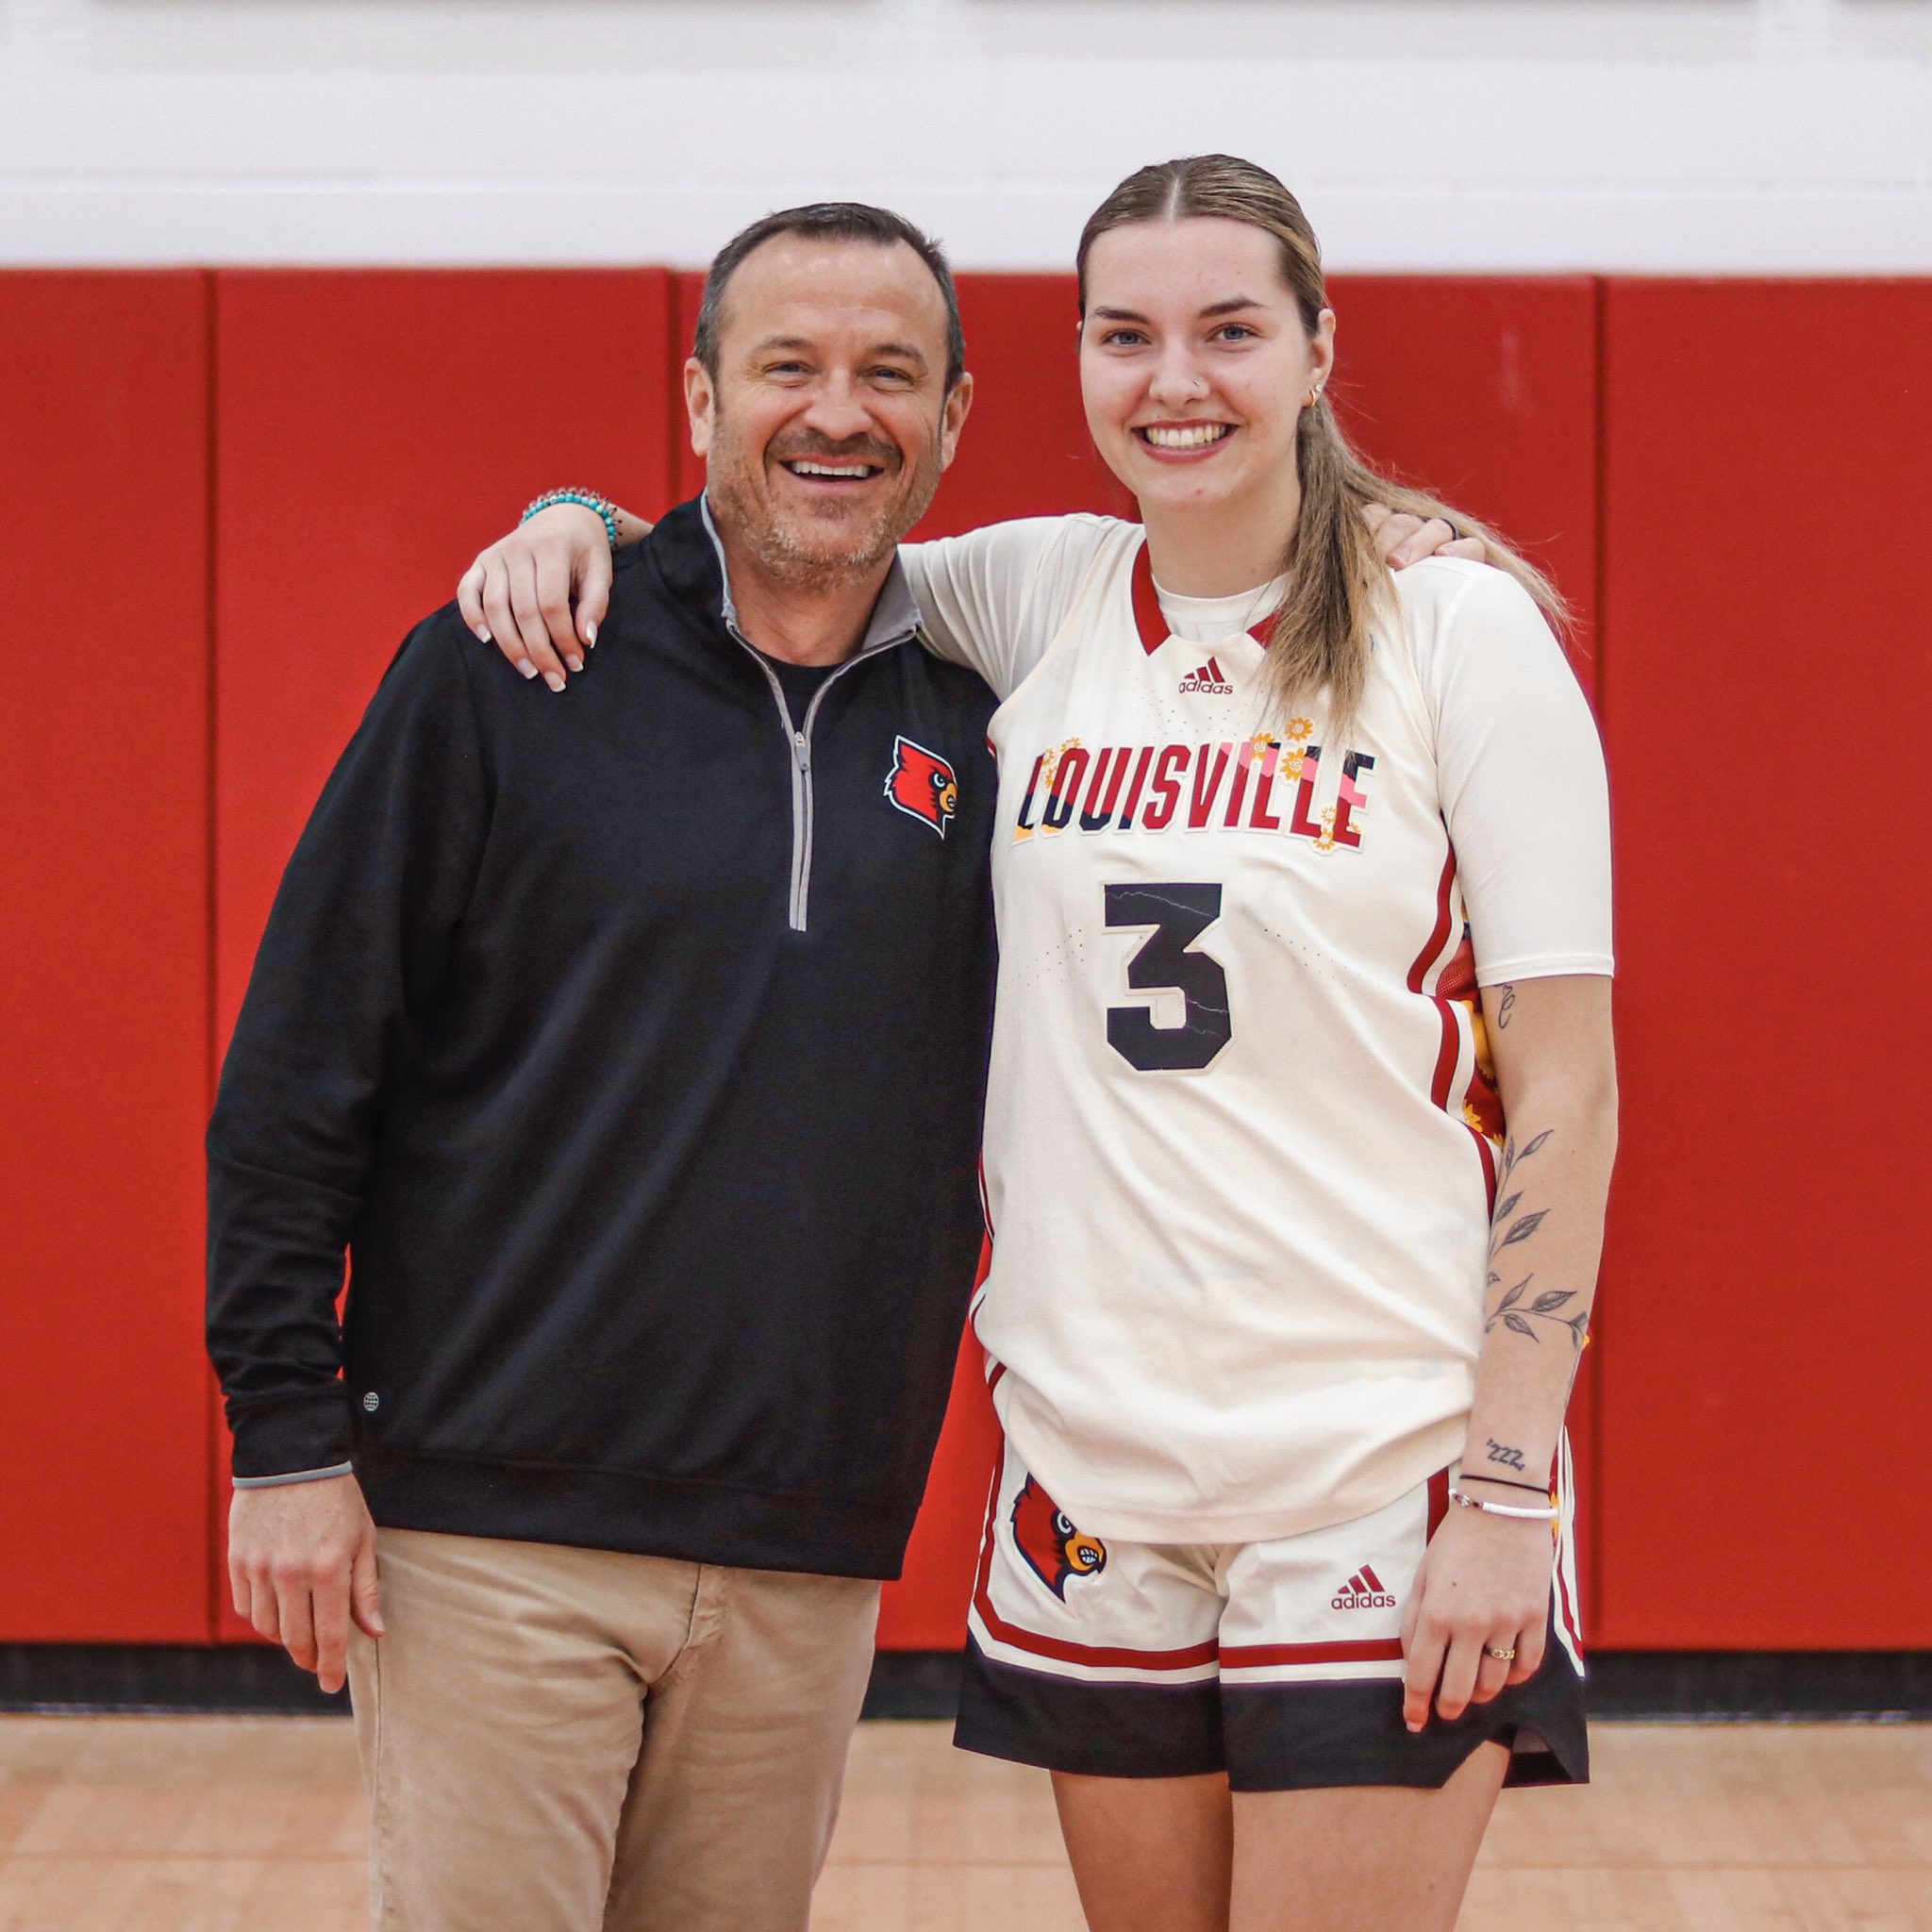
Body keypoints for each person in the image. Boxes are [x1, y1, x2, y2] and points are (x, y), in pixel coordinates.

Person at [466, 156, 1613, 1932]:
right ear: (1072, 364)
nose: (1177, 380)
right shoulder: (1034, 596)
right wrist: (566, 512)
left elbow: (1569, 1096)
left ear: (1318, 350)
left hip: (1380, 1463)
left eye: (1231, 331)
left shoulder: (1457, 635)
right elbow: (772, 547)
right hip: (1097, 1472)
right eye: (1125, 335)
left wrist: (1514, 1478)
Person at [209, 203, 1000, 1932]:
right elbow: (301, 1066)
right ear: (701, 400)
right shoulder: (511, 664)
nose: (838, 412)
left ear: (955, 422)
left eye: (891, 373)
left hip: (807, 1543)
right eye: (787, 365)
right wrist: (283, 1438)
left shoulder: (993, 714)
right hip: (497, 1535)